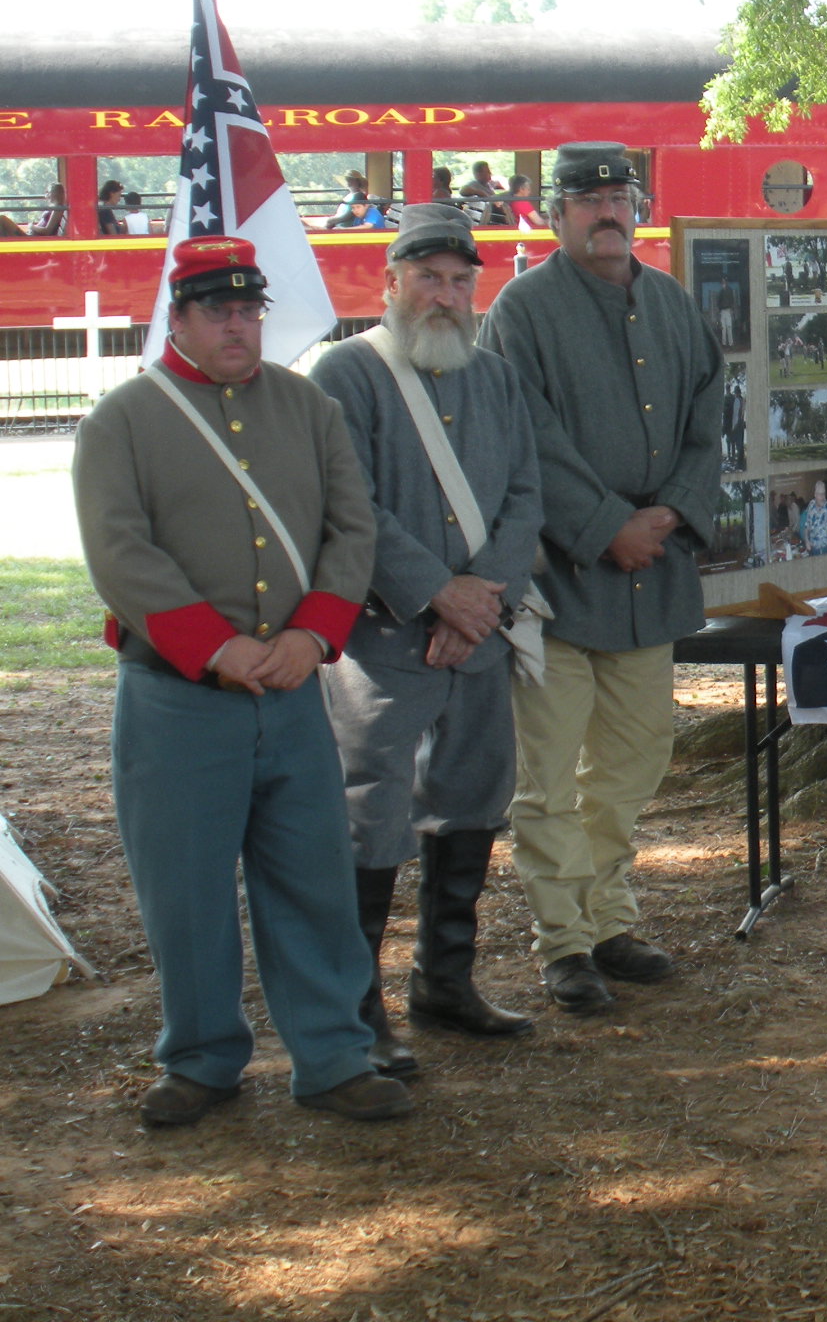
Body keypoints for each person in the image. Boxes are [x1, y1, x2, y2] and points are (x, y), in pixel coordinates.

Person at [71, 236, 411, 1125]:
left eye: (249, 309)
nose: (237, 325)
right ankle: (200, 1059)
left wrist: (313, 635)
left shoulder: (306, 406)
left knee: (311, 881)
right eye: (217, 309)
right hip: (179, 699)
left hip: (294, 691)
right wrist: (215, 647)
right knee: (184, 891)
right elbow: (120, 555)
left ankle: (334, 1055)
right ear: (177, 316)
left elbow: (351, 531)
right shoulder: (124, 421)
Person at [477, 142, 724, 1013]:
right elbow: (525, 433)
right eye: (587, 199)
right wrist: (605, 527)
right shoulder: (522, 309)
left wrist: (666, 516)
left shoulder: (671, 305)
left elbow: (708, 417)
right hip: (557, 585)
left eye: (619, 195)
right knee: (547, 776)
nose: (607, 211)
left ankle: (611, 919)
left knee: (633, 758)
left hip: (649, 578)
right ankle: (564, 942)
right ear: (556, 214)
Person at [309, 204, 544, 1077]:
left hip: (478, 634)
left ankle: (445, 982)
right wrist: (436, 596)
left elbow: (525, 493)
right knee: (368, 814)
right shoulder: (347, 375)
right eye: (427, 278)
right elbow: (350, 507)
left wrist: (482, 601)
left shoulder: (495, 379)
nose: (443, 296)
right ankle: (355, 1006)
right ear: (390, 283)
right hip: (383, 641)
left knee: (475, 798)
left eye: (458, 281)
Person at [802, 479, 827, 556]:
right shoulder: (811, 506)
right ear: (815, 494)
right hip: (813, 549)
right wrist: (806, 540)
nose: (822, 497)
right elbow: (806, 525)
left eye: (824, 494)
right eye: (820, 494)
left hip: (825, 549)